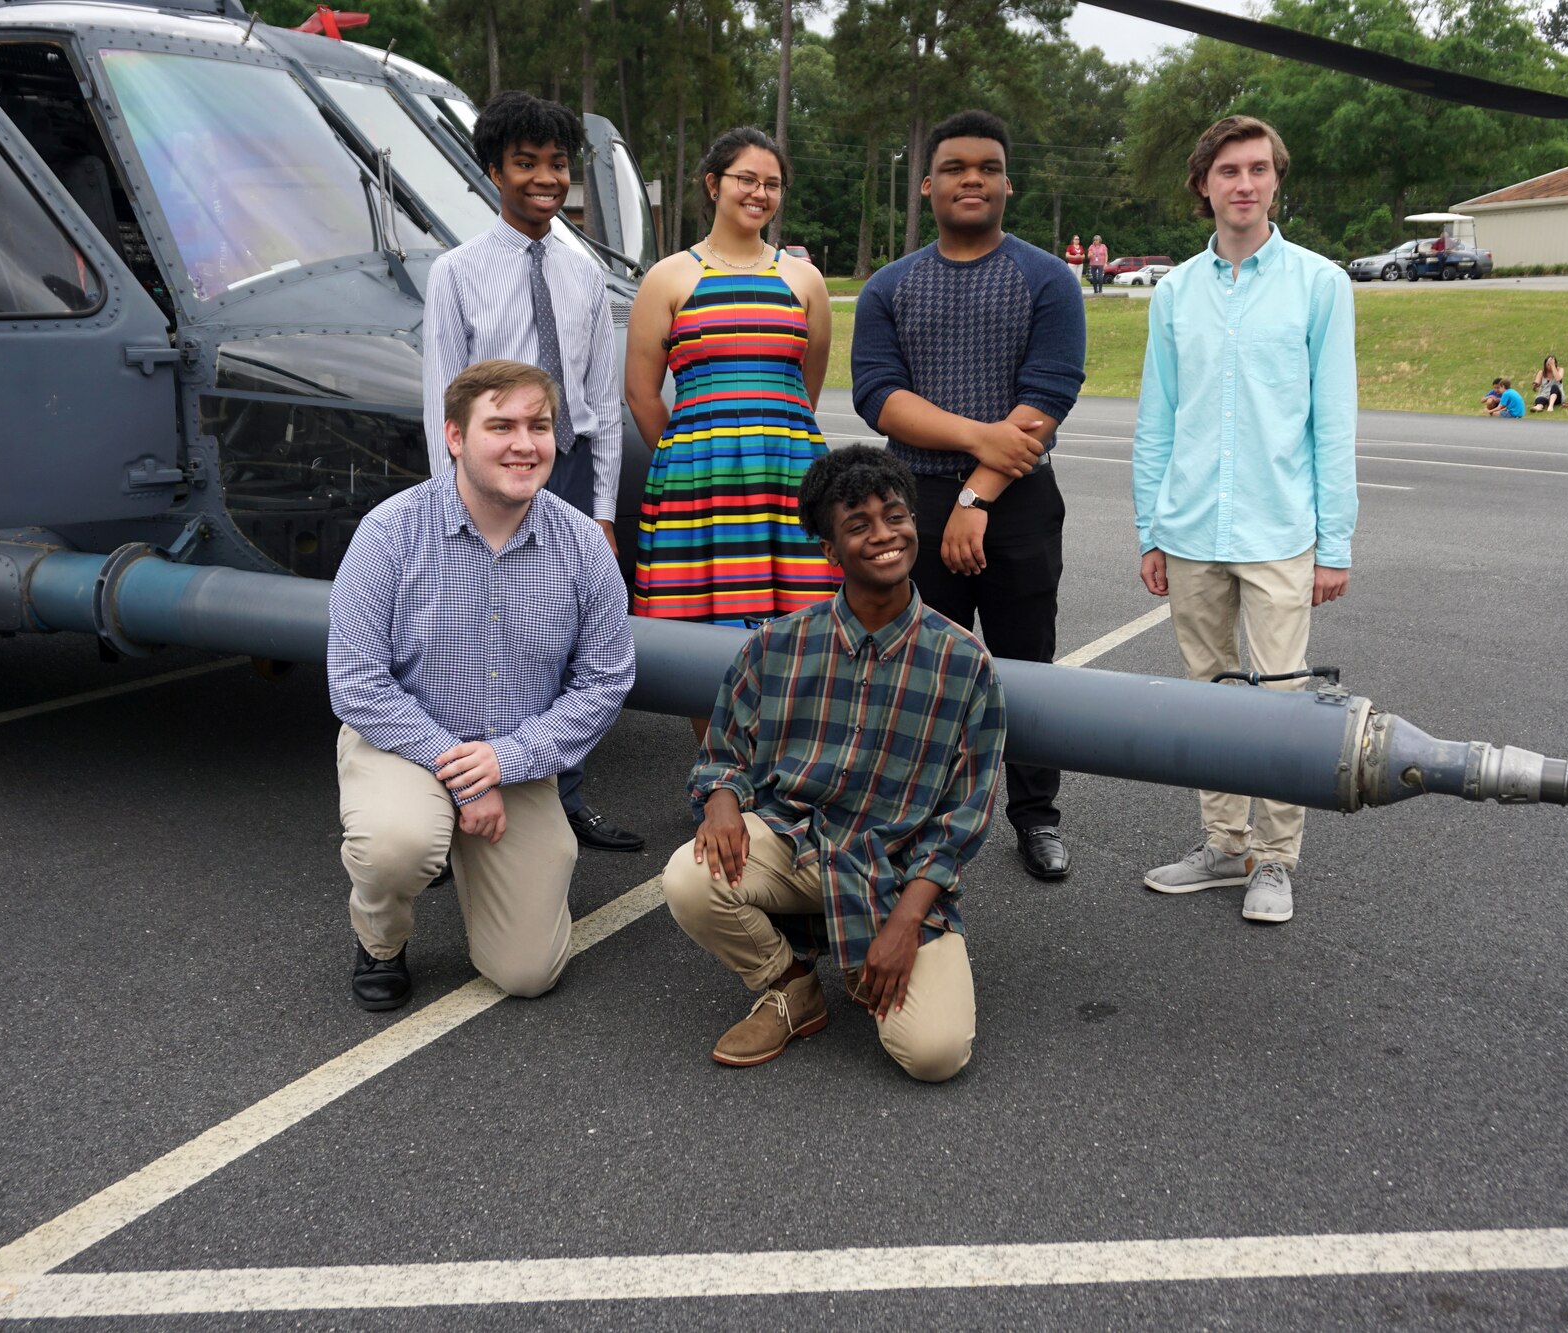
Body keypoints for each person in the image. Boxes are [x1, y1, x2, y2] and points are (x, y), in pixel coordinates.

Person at [663, 447, 1003, 1082]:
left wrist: (904, 924)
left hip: (892, 872)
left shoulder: (964, 661)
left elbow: (966, 815)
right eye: (858, 525)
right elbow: (723, 753)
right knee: (691, 874)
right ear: (829, 550)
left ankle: (867, 947)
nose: (883, 535)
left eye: (894, 516)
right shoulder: (775, 644)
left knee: (934, 1055)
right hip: (795, 844)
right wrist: (720, 802)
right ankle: (791, 985)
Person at [329, 361, 636, 1011]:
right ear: (456, 437)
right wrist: (469, 774)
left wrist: (507, 759)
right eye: (501, 425)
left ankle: (468, 847)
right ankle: (381, 940)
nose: (525, 443)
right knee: (398, 844)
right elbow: (356, 682)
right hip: (402, 741)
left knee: (528, 972)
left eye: (539, 425)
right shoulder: (389, 534)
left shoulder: (583, 545)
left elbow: (606, 680)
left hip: (516, 756)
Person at [1130, 114, 1358, 926]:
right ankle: (1223, 843)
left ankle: (1274, 859)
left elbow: (1333, 420)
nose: (1246, 183)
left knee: (1284, 702)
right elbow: (1158, 418)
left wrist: (1335, 543)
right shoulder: (1173, 294)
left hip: (1279, 531)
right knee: (1208, 698)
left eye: (1260, 168)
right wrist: (1149, 526)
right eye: (1229, 170)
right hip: (1189, 528)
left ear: (1275, 179)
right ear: (1204, 183)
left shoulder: (1319, 284)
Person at [851, 108, 1086, 882]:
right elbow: (879, 396)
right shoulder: (891, 286)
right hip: (908, 501)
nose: (972, 178)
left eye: (987, 167)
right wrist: (979, 438)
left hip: (1016, 503)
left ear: (1007, 183)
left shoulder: (1048, 278)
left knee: (1029, 664)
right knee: (914, 664)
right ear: (928, 185)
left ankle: (1036, 814)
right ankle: (915, 810)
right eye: (955, 168)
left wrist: (978, 494)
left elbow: (1048, 394)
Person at [420, 90, 642, 853]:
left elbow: (600, 406)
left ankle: (561, 798)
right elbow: (439, 400)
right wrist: (443, 508)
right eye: (525, 163)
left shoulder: (584, 274)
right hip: (484, 477)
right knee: (475, 633)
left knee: (567, 641)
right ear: (493, 172)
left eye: (556, 164)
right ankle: (454, 796)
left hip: (570, 472)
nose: (545, 178)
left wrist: (604, 512)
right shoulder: (455, 271)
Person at [624, 127, 838, 659]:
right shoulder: (669, 277)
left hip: (789, 473)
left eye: (772, 183)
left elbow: (804, 390)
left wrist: (771, 437)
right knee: (695, 629)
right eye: (747, 179)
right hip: (696, 479)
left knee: (801, 625)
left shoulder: (804, 280)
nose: (759, 193)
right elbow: (641, 393)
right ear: (714, 184)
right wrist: (690, 452)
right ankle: (714, 748)